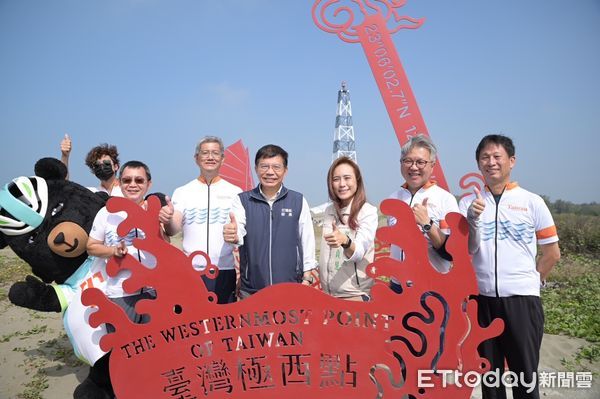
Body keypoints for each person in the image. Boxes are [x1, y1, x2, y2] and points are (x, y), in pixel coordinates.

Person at [459, 134, 560, 399]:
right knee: (490, 380)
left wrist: (530, 282)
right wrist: (472, 220)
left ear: (511, 161)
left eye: (497, 157)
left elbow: (552, 253)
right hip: (482, 302)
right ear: (478, 163)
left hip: (522, 303)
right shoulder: (468, 203)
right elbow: (467, 250)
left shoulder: (531, 202)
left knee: (524, 376)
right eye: (484, 158)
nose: (490, 162)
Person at [223, 144, 318, 298]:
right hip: (252, 290)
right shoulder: (243, 200)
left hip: (291, 287)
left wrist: (307, 278)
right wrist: (233, 235)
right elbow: (238, 231)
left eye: (276, 167)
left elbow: (307, 240)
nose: (270, 172)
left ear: (285, 171)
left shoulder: (298, 200)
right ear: (256, 169)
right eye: (264, 166)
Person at [159, 136, 242, 304]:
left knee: (223, 327)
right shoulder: (183, 191)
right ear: (196, 158)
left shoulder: (236, 192)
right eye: (205, 153)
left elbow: (240, 231)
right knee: (193, 327)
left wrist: (236, 233)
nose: (210, 157)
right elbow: (172, 229)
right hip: (191, 271)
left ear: (223, 159)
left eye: (215, 153)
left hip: (224, 271)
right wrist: (167, 218)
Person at [86, 160, 159, 326]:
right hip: (120, 293)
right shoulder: (106, 213)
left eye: (139, 180)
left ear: (149, 184)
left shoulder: (156, 211)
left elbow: (167, 243)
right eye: (127, 180)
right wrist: (113, 251)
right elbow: (91, 246)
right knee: (124, 347)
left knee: (158, 347)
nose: (133, 185)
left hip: (154, 291)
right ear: (120, 182)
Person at [388, 134, 459, 292]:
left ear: (432, 165)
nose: (413, 167)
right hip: (397, 287)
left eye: (420, 162)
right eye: (408, 161)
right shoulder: (393, 198)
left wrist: (427, 224)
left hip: (432, 288)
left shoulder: (445, 199)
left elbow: (452, 252)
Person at [319, 157, 378, 301]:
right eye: (336, 179)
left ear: (357, 180)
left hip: (354, 296)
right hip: (328, 296)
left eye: (347, 178)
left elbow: (359, 251)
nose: (342, 184)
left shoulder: (367, 212)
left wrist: (345, 241)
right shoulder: (329, 211)